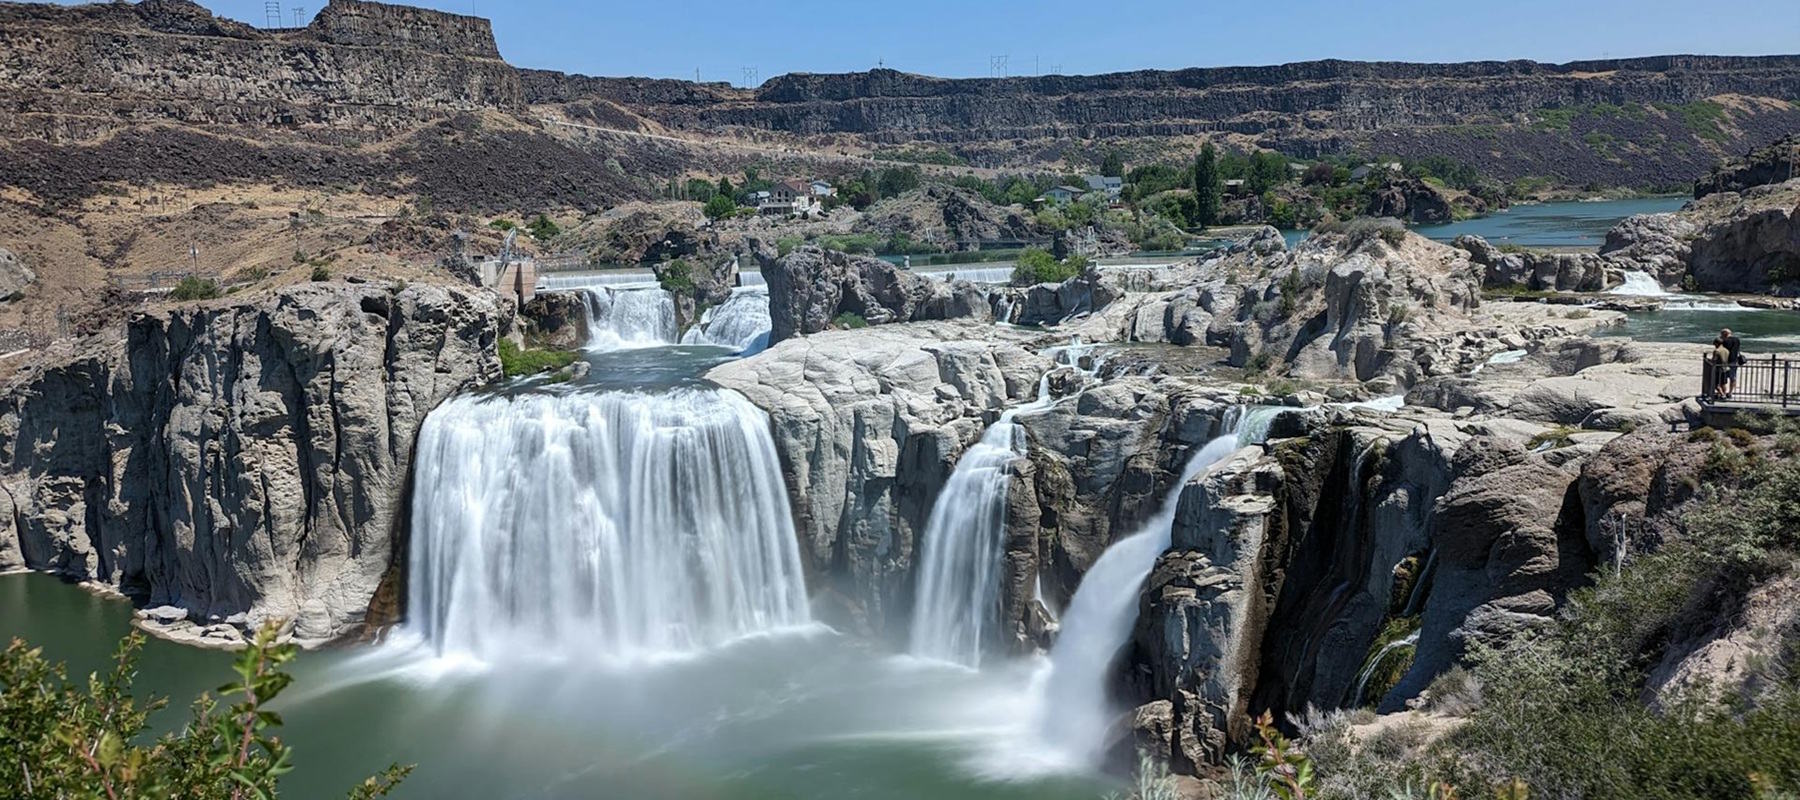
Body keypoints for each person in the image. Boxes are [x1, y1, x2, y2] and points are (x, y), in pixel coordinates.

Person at [1720, 328, 1744, 398]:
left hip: (1726, 361)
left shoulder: (1725, 341)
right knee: (1733, 377)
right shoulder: (1737, 340)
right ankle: (1730, 392)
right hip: (1735, 361)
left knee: (1723, 378)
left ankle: (1723, 393)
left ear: (1724, 334)